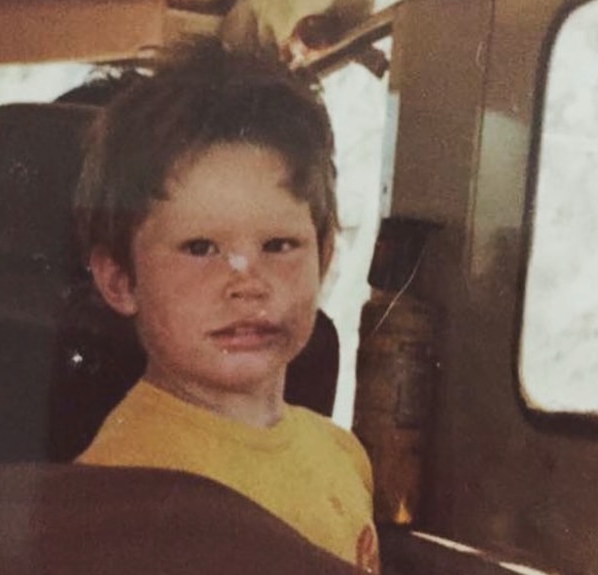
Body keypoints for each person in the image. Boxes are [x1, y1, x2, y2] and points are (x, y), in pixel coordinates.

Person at [73, 37, 379, 572]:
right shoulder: (119, 490)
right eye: (201, 248)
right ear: (121, 281)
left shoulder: (340, 454)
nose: (247, 283)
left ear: (324, 257)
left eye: (279, 246)